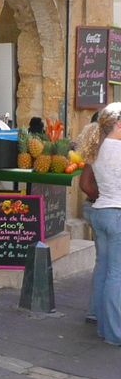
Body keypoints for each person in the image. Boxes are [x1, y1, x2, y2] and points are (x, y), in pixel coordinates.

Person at [76, 103, 121, 345]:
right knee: (116, 275)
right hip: (117, 214)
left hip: (101, 211)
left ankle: (104, 327)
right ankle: (116, 333)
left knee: (104, 271)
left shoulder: (98, 149)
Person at [78, 112, 100, 322]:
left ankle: (96, 310)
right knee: (109, 265)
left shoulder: (95, 149)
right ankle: (98, 311)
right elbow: (85, 184)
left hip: (96, 207)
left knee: (104, 262)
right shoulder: (104, 149)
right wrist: (104, 197)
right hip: (102, 208)